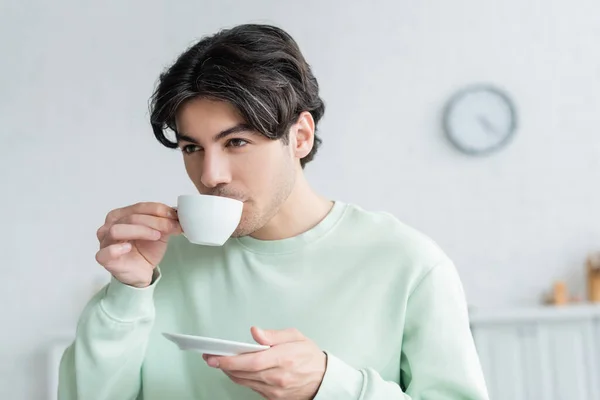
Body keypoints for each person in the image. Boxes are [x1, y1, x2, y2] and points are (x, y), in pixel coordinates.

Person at [58, 23, 489, 400]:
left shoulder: (408, 264)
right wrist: (127, 292)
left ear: (300, 136)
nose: (210, 176)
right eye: (192, 148)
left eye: (236, 142)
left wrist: (327, 385)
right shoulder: (156, 263)